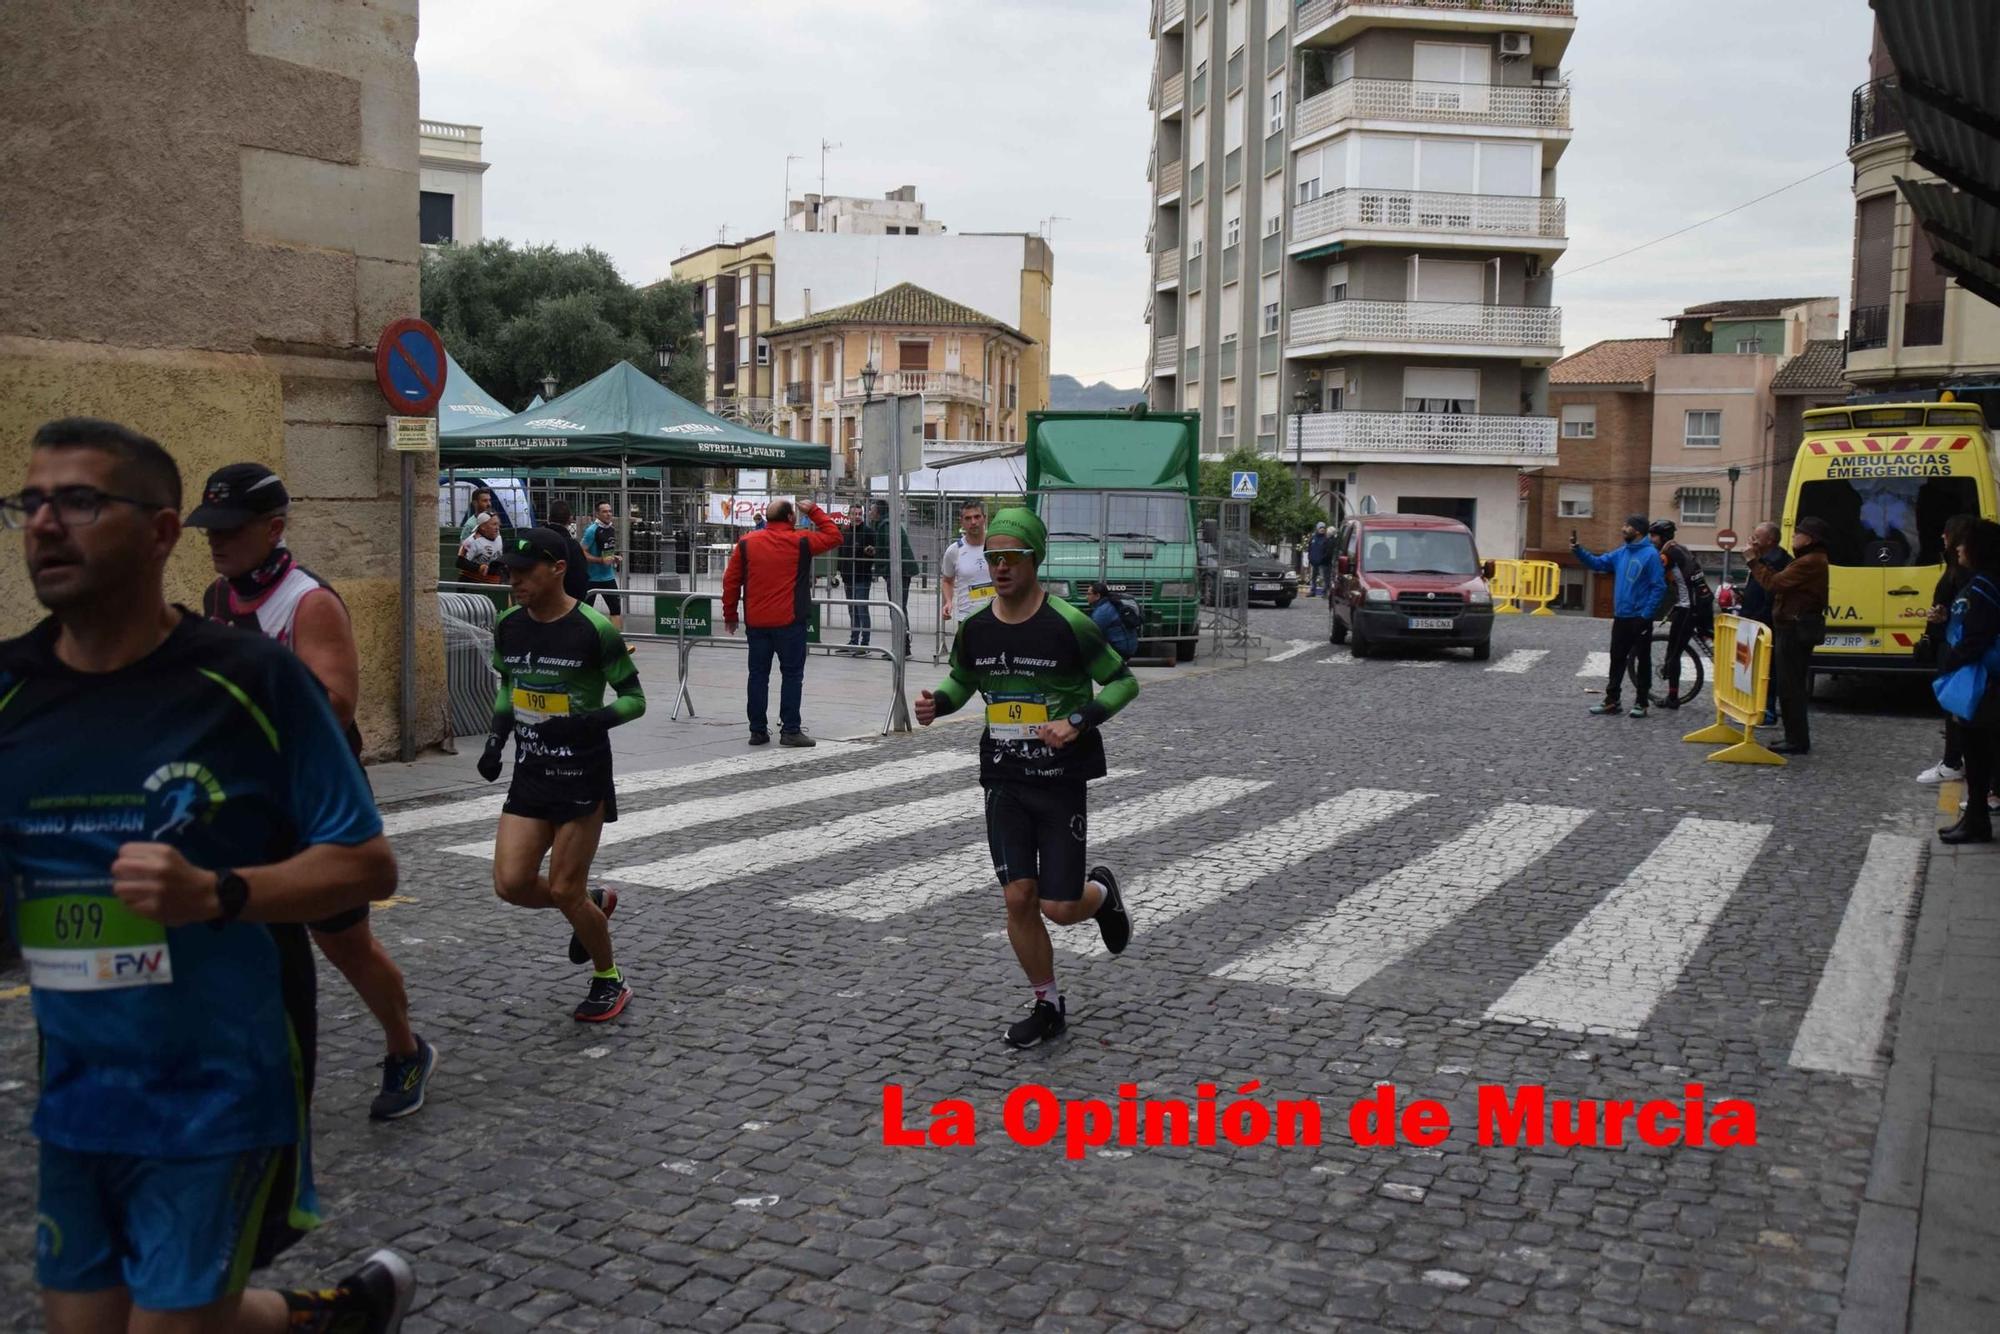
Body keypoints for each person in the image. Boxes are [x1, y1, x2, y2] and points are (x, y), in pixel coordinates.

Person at [0, 418, 413, 1331]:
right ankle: (329, 1317)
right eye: (29, 503)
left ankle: (404, 1043)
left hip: (216, 1088)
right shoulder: (11, 694)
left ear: (150, 532)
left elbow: (367, 854)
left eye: (77, 501)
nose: (42, 524)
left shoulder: (263, 661)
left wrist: (218, 891)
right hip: (75, 1093)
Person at [188, 462, 436, 1122]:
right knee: (243, 936)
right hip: (251, 799)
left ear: (274, 528)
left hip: (317, 803)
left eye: (230, 529)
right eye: (209, 528)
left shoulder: (307, 601)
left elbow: (338, 707)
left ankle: (407, 1047)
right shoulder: (218, 596)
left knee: (344, 944)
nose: (215, 540)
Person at [913, 508, 1140, 1049]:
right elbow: (963, 679)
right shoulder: (977, 626)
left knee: (1058, 908)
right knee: (1019, 899)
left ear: (1035, 559)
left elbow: (1123, 683)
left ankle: (1101, 895)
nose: (1001, 566)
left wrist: (1079, 720)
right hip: (1005, 778)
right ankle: (1048, 1003)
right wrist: (938, 704)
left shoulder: (1069, 623)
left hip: (1060, 779)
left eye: (1012, 556)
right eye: (993, 557)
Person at [476, 527, 646, 1021]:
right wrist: (494, 741)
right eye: (510, 571)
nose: (515, 581)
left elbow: (634, 700)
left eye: (525, 572)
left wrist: (587, 723)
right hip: (530, 774)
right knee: (510, 883)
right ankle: (593, 903)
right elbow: (510, 688)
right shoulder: (508, 624)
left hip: (581, 776)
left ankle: (609, 979)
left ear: (557, 569)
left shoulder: (594, 628)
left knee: (563, 888)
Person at [721, 498, 843, 746]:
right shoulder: (801, 541)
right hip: (790, 621)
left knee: (757, 675)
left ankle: (757, 730)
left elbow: (731, 581)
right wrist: (814, 511)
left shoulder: (746, 543)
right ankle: (790, 730)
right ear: (790, 517)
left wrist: (730, 615)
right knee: (792, 675)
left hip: (756, 622)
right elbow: (834, 536)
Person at [1936, 520, 2000, 844]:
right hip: (1988, 678)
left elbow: (1976, 635)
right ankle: (1973, 818)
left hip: (1984, 680)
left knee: (1976, 753)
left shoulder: (1984, 585)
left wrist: (1951, 660)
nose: (1958, 548)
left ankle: (1975, 821)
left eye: (1965, 543)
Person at [1749, 515, 1832, 756]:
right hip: (1791, 626)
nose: (1794, 536)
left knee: (1791, 686)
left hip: (1795, 629)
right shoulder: (1809, 559)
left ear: (1811, 539)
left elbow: (1775, 583)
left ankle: (1796, 740)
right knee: (1788, 685)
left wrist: (1753, 562)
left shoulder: (1810, 562)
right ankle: (1792, 736)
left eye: (1799, 533)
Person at [1571, 516, 1667, 719]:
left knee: (1643, 660)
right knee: (1616, 659)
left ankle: (1641, 703)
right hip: (1621, 616)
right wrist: (1579, 551)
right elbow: (1598, 563)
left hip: (1639, 617)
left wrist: (1646, 614)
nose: (1623, 528)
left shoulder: (1650, 555)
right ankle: (1612, 701)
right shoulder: (1622, 552)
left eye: (1628, 526)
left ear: (1638, 531)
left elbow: (1658, 587)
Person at [1916, 514, 1980, 786]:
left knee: (1958, 705)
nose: (1942, 537)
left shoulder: (1966, 572)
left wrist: (1944, 617)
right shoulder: (1955, 567)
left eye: (1946, 533)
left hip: (1956, 644)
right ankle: (1957, 760)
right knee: (1954, 705)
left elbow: (1964, 608)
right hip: (1949, 639)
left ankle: (1956, 763)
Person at [1648, 520, 1714, 710]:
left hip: (1689, 607)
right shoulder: (1681, 549)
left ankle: (1673, 698)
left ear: (1663, 537)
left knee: (1674, 655)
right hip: (1700, 603)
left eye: (1654, 536)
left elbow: (1655, 578)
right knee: (1706, 640)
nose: (1651, 539)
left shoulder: (1667, 555)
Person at [1738, 522, 1791, 726]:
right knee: (1750, 666)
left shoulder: (1776, 560)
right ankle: (1752, 705)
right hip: (1753, 619)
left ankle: (1767, 708)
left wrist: (1758, 618)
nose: (1752, 540)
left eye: (1757, 537)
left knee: (1766, 669)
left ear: (1770, 540)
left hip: (1764, 623)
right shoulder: (1763, 558)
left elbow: (1770, 590)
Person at [869, 498, 919, 656]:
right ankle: (903, 646)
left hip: (899, 571)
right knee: (898, 608)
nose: (870, 512)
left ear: (878, 512)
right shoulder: (886, 524)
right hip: (899, 570)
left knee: (897, 609)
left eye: (872, 509)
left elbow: (889, 550)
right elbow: (886, 549)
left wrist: (878, 568)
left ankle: (902, 647)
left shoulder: (886, 525)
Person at [939, 498, 992, 628]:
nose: (973, 522)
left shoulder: (996, 545)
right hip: (967, 617)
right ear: (961, 522)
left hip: (997, 615)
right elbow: (947, 580)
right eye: (968, 518)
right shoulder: (954, 550)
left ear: (984, 518)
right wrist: (948, 602)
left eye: (977, 517)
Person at [580, 500, 624, 633]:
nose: (608, 514)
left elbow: (607, 551)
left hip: (608, 577)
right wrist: (600, 560)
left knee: (616, 609)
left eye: (610, 511)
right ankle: (584, 637)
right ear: (597, 514)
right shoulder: (591, 530)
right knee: (586, 611)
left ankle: (617, 639)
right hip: (592, 578)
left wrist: (614, 558)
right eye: (604, 511)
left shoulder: (611, 528)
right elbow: (582, 552)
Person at [840, 505, 877, 652]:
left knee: (862, 609)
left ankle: (865, 643)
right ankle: (854, 640)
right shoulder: (846, 532)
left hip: (862, 576)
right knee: (852, 610)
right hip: (848, 576)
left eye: (860, 514)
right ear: (848, 515)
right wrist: (841, 571)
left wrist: (871, 552)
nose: (857, 516)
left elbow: (875, 551)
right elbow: (842, 553)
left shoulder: (868, 532)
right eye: (854, 514)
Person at [546, 500, 594, 603]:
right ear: (570, 519)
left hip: (540, 601)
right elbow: (580, 578)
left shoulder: (537, 540)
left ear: (549, 517)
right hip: (565, 601)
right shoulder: (572, 546)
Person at [1087, 580, 1140, 658]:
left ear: (1097, 596)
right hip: (1130, 646)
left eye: (1089, 594)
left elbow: (1093, 633)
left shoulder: (1102, 612)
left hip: (1119, 649)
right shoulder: (1111, 603)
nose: (1086, 596)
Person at [456, 510, 504, 584]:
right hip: (472, 584)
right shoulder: (471, 541)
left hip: (492, 583)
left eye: (498, 524)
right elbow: (459, 562)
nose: (497, 528)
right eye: (494, 524)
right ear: (483, 527)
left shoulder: (498, 537)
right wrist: (479, 568)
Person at [1307, 521, 1332, 597]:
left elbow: (1328, 551)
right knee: (1313, 578)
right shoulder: (1313, 538)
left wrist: (1323, 559)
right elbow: (1310, 548)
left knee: (1324, 578)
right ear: (1317, 528)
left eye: (1324, 528)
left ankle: (1324, 593)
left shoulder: (1326, 539)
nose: (1322, 529)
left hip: (1323, 563)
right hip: (1314, 562)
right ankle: (1313, 591)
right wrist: (1310, 557)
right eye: (1320, 528)